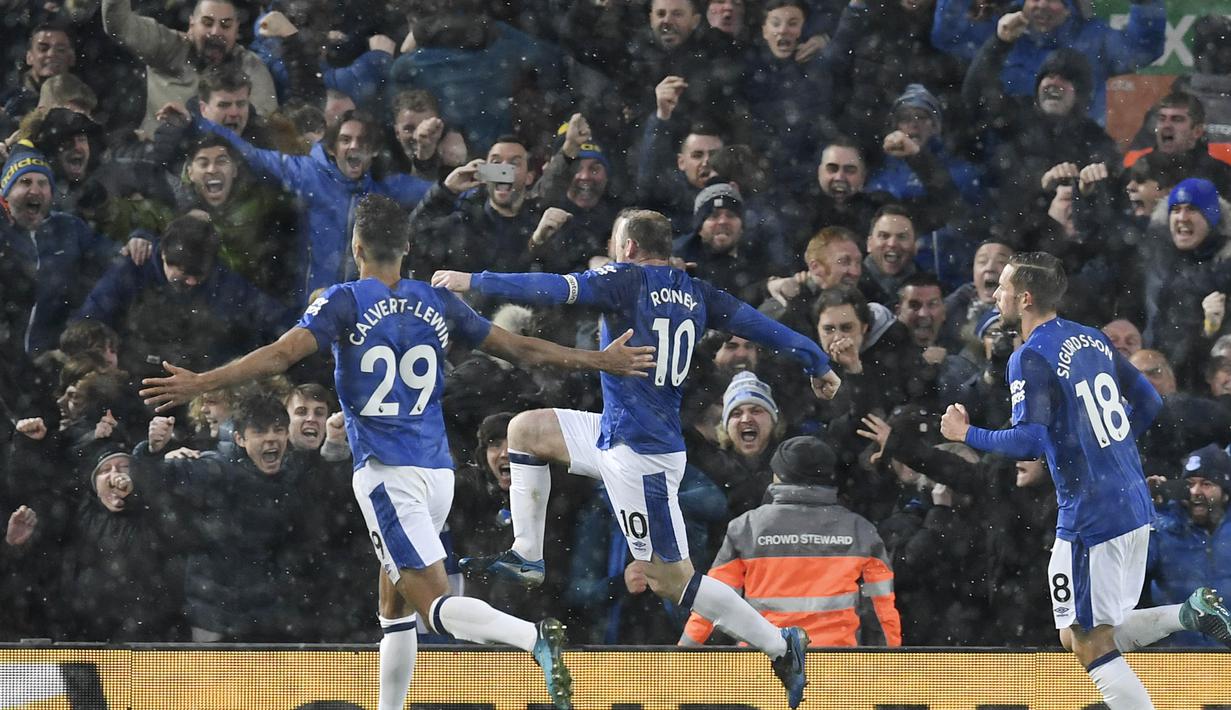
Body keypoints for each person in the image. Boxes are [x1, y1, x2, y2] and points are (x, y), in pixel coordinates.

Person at [138, 194, 660, 710]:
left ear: (357, 245)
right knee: (394, 607)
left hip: (388, 476)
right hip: (438, 474)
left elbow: (280, 355)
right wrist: (596, 359)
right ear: (407, 246)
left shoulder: (343, 300)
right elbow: (519, 347)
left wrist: (202, 381)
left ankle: (533, 640)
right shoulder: (438, 302)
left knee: (433, 605)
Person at [431, 208, 842, 710]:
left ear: (626, 247)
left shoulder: (625, 281)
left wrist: (474, 280)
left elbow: (550, 288)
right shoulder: (698, 292)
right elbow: (764, 328)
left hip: (641, 459)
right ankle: (527, 554)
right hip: (614, 433)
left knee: (674, 583)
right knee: (525, 429)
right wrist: (817, 361)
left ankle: (782, 646)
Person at [940, 251, 1231, 709]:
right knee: (1077, 632)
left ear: (1027, 297)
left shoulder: (1029, 355)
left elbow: (1029, 441)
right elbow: (1150, 404)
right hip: (1132, 501)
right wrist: (1111, 452)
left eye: (1004, 287)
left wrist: (966, 433)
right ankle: (1186, 613)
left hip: (1090, 514)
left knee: (1090, 643)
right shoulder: (1092, 339)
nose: (997, 294)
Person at [681, 435, 901, 648]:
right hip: (834, 660)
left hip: (762, 661)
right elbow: (881, 608)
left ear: (779, 475)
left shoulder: (747, 527)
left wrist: (685, 650)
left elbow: (714, 601)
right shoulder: (859, 530)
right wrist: (890, 664)